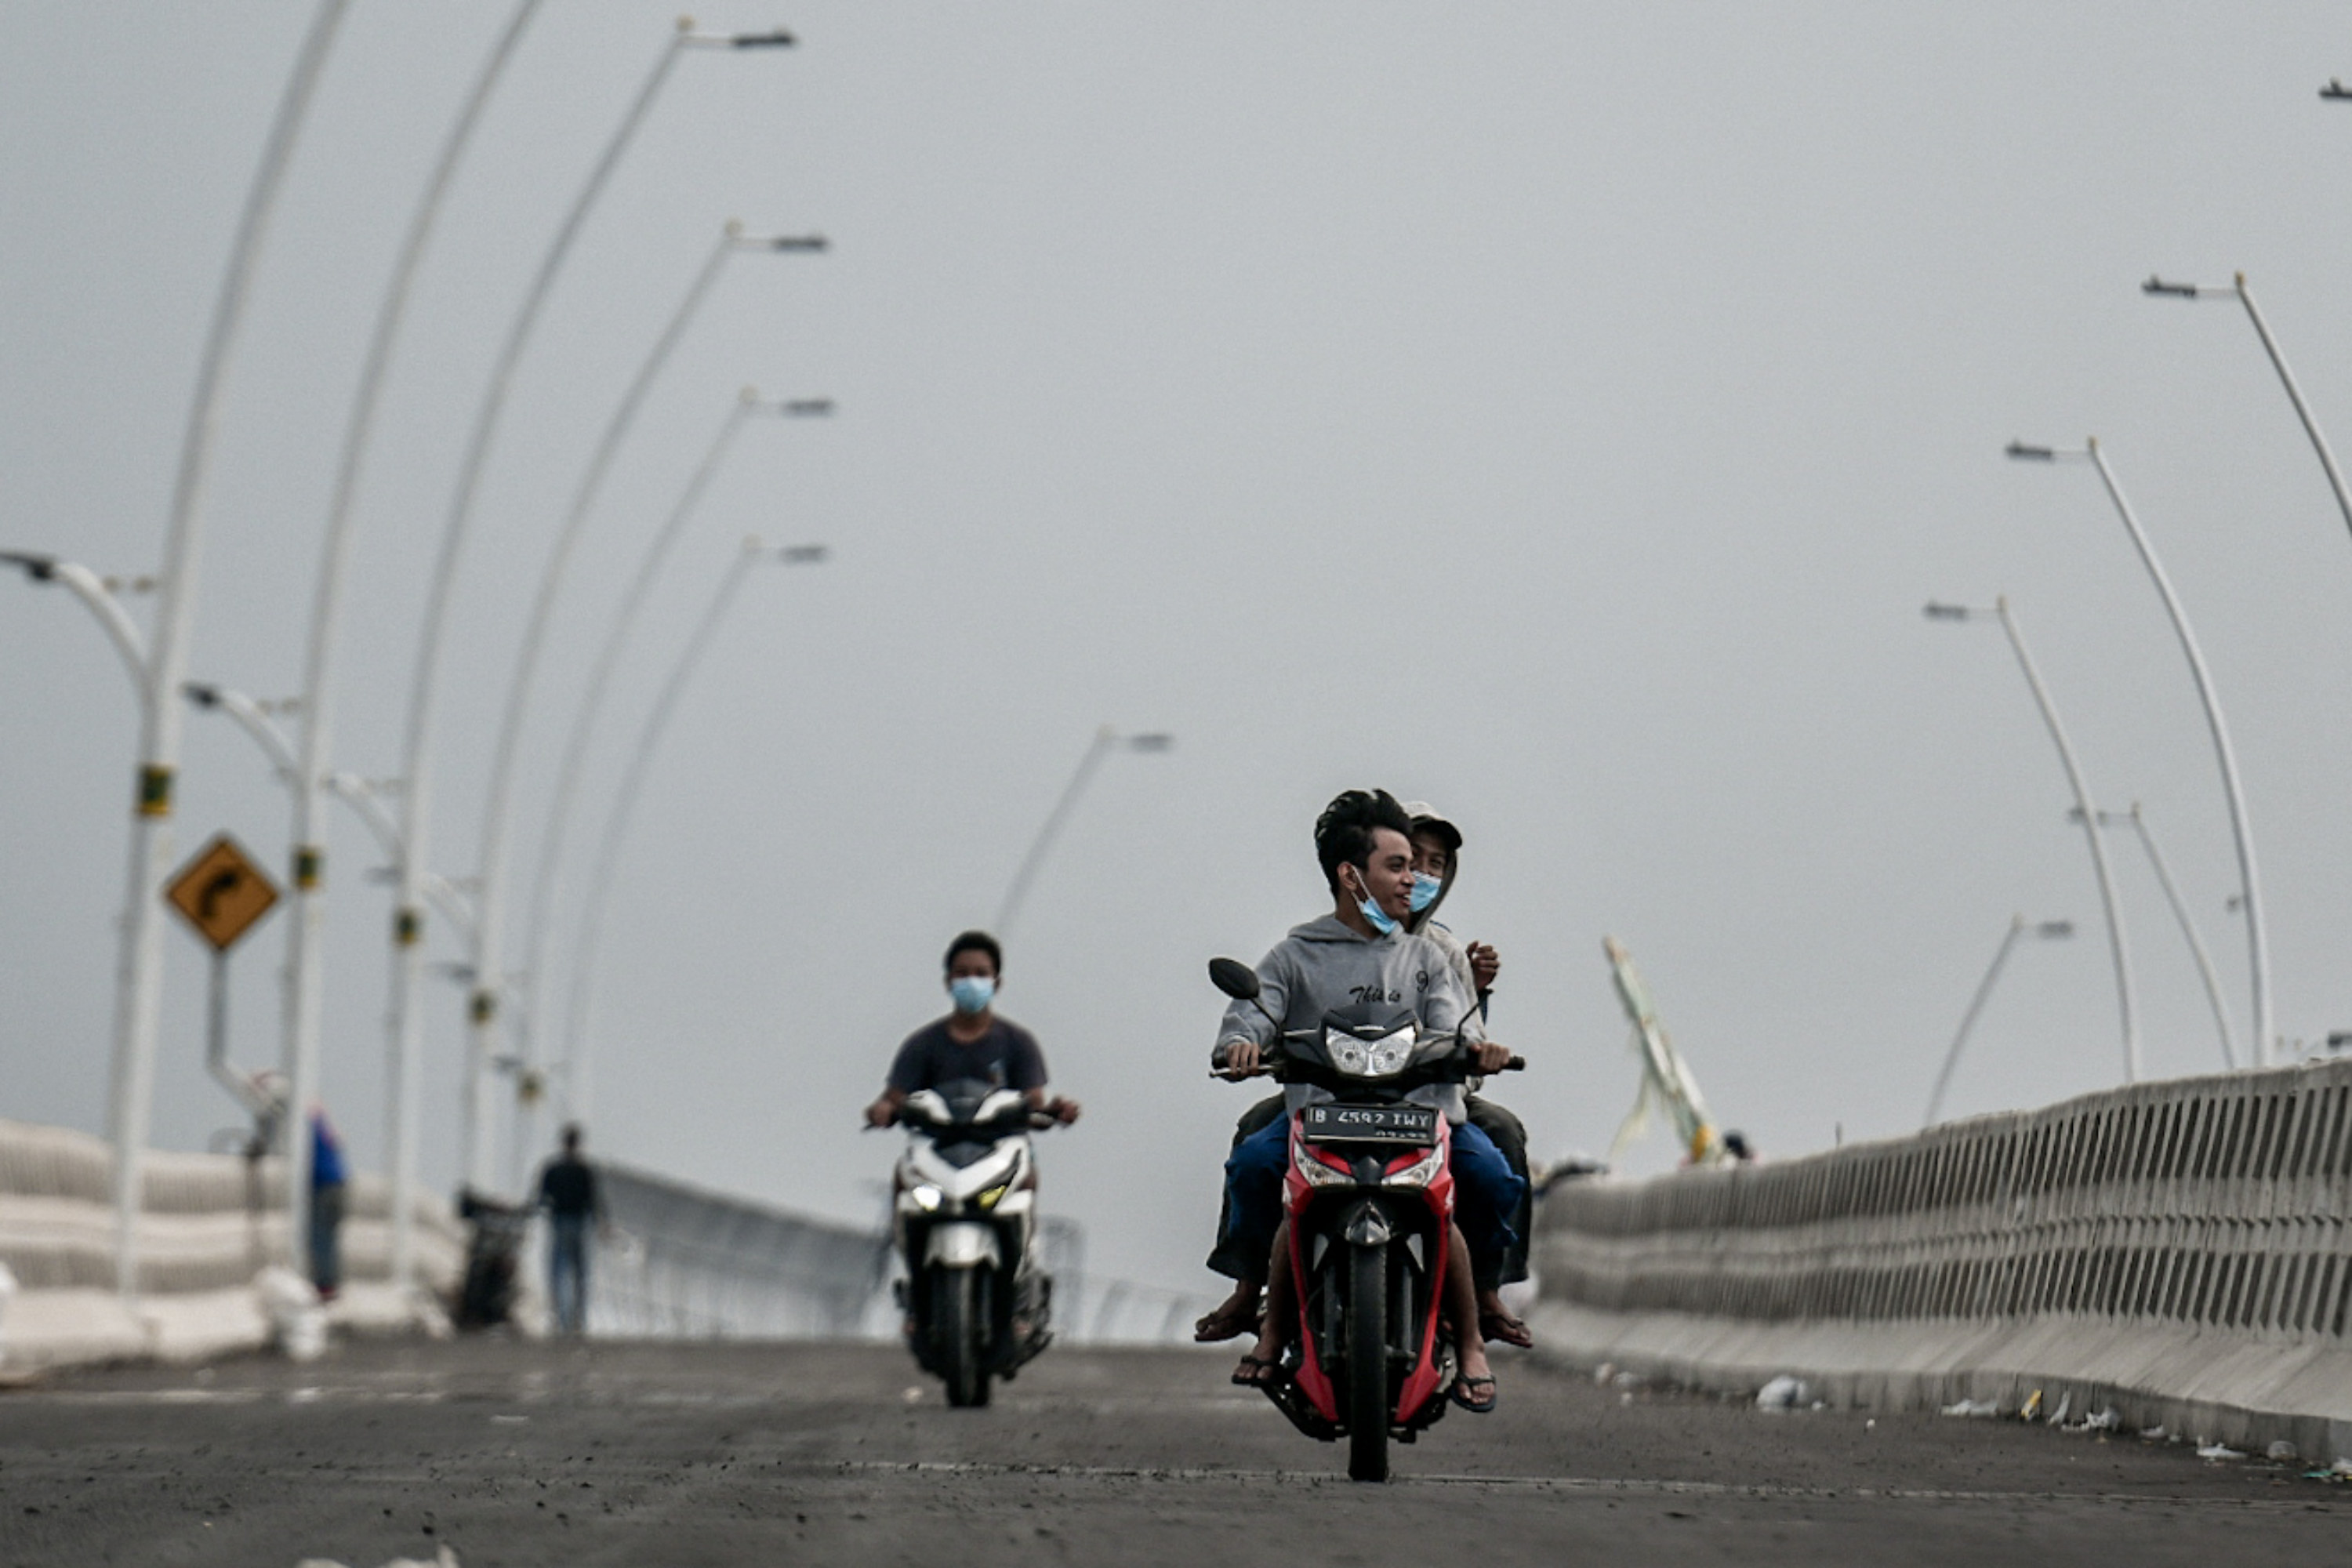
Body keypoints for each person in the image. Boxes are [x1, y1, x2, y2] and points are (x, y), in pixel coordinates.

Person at [1207, 789, 1523, 1412]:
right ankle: (1266, 1324)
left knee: (1483, 1175)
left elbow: (1460, 1026)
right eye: (1399, 866)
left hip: (1418, 1117)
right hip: (1321, 1116)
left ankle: (1475, 1338)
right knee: (1257, 1169)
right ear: (1351, 875)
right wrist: (1242, 1046)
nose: (1415, 880)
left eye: (1418, 866)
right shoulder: (1296, 954)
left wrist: (1476, 1048)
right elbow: (1251, 1016)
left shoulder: (1433, 956)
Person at [1399, 802, 1534, 1348]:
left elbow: (1465, 1033)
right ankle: (1253, 1288)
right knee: (1259, 1146)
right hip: (1337, 1098)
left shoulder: (1445, 951)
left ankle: (1486, 1289)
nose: (1422, 875)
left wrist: (1476, 995)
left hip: (1435, 1100)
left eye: (1437, 864)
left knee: (1501, 1141)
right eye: (1410, 859)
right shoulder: (1322, 943)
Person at [865, 931, 1081, 1129]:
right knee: (903, 1173)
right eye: (962, 974)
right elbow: (893, 1099)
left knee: (1027, 1173)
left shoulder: (1018, 1042)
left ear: (996, 983)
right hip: (934, 1147)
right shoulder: (922, 1044)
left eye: (981, 974)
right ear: (948, 982)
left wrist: (1056, 1109)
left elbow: (1034, 1105)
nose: (972, 981)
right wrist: (881, 1111)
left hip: (1002, 1150)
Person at [535, 1123, 604, 1336]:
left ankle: (560, 1319)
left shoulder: (553, 1169)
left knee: (558, 1272)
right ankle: (579, 1321)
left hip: (559, 1223)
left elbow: (541, 1198)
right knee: (580, 1273)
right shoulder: (585, 1170)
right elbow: (594, 1200)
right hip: (580, 1224)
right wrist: (601, 1223)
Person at [307, 1109, 347, 1302]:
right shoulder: (323, 1126)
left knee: (320, 1236)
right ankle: (330, 1283)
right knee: (329, 1237)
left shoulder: (306, 1126)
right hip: (338, 1184)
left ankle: (325, 1285)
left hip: (324, 1187)